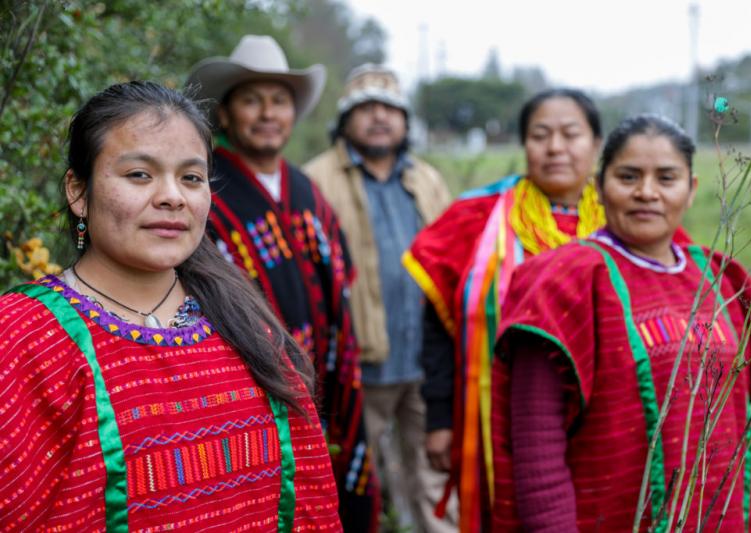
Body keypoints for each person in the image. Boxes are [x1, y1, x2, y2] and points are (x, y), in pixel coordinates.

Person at [0, 81, 341, 531]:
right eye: (139, 174)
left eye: (191, 178)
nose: (172, 196)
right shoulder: (24, 337)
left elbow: (311, 506)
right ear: (78, 191)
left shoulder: (246, 327)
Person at [493, 114, 751, 531]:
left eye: (666, 178)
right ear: (598, 187)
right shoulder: (564, 281)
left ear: (690, 190)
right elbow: (536, 441)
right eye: (628, 176)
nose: (647, 192)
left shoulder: (720, 279)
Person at [186, 36, 378, 531]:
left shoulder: (306, 189)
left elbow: (342, 278)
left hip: (327, 380)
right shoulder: (207, 190)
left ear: (293, 114)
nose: (268, 113)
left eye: (279, 101)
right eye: (252, 100)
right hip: (245, 389)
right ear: (225, 114)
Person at [403, 88, 607, 530]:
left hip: (602, 419)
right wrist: (440, 418)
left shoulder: (624, 219)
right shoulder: (478, 217)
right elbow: (437, 328)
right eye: (540, 134)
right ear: (524, 143)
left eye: (571, 134)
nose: (555, 147)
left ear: (596, 143)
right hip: (497, 420)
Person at [304, 64, 455, 532]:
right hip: (355, 369)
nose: (379, 117)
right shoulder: (315, 181)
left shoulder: (427, 179)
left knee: (436, 483)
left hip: (426, 364)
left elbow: (453, 263)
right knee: (347, 485)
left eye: (389, 108)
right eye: (365, 108)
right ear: (344, 121)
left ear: (405, 121)